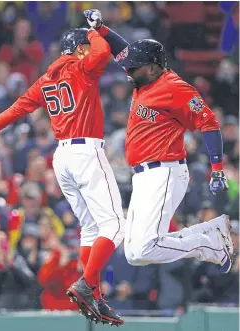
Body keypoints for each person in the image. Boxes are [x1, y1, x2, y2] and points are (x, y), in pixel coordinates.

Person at [0, 22, 125, 325]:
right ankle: (87, 285)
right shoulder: (82, 68)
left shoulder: (45, 78)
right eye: (85, 46)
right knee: (116, 225)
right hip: (85, 150)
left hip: (61, 157)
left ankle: (93, 294)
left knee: (91, 229)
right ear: (80, 49)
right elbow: (105, 51)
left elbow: (16, 109)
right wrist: (95, 30)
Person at [83, 10, 233, 277]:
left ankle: (210, 243)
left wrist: (217, 167)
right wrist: (102, 29)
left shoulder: (177, 88)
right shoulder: (143, 76)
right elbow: (123, 52)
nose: (127, 69)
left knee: (143, 250)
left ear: (153, 68)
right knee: (133, 254)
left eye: (134, 66)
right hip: (142, 176)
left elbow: (209, 124)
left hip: (165, 171)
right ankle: (210, 234)